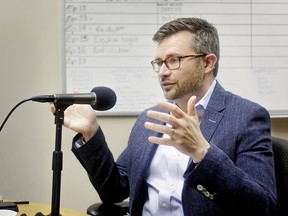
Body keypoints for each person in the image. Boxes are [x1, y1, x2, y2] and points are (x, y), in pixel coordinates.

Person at [53, 17, 279, 215]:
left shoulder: (247, 116)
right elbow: (115, 190)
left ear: (208, 62)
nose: (162, 72)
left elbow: (264, 207)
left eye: (173, 60)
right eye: (159, 63)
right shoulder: (150, 118)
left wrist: (202, 153)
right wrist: (91, 133)